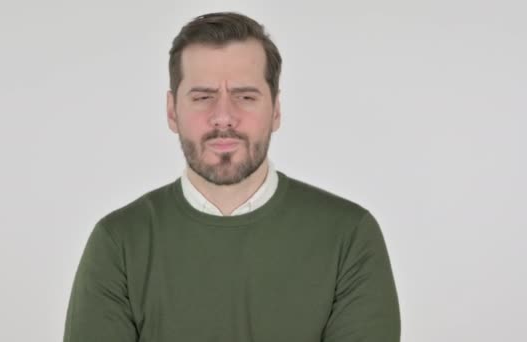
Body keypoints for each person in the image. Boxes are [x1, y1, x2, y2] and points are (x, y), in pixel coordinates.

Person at [63, 12, 400, 342]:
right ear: (172, 112)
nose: (223, 117)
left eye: (245, 96)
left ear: (276, 110)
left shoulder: (349, 237)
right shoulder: (119, 243)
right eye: (203, 97)